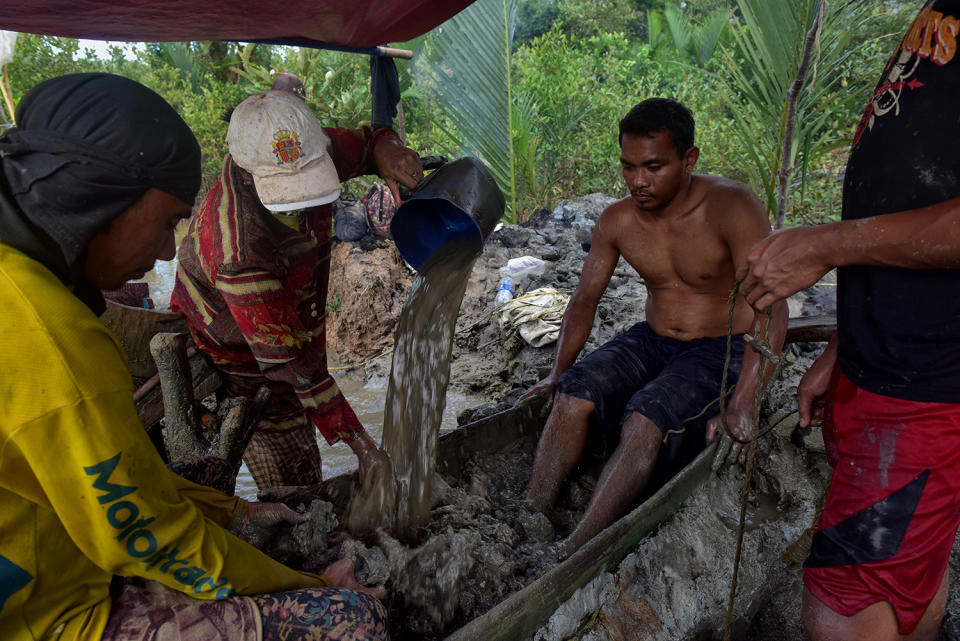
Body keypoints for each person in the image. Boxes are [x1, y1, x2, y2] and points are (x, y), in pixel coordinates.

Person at [0, 73, 386, 641]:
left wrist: (230, 512)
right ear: (93, 198)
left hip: (51, 554)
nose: (166, 251)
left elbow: (102, 479)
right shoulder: (55, 345)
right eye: (163, 224)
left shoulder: (24, 283)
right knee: (352, 619)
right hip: (44, 614)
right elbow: (143, 533)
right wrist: (301, 583)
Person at [737, 3, 960, 639]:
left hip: (929, 384)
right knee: (906, 567)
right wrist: (844, 345)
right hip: (882, 360)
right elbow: (916, 188)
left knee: (845, 600)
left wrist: (826, 244)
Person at [522, 97, 787, 556]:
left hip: (720, 347)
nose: (637, 181)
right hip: (653, 338)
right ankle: (530, 515)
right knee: (573, 392)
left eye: (653, 167)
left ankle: (577, 549)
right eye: (628, 167)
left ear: (689, 159)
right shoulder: (618, 220)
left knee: (647, 415)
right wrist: (555, 373)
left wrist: (745, 400)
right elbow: (584, 300)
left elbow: (773, 307)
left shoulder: (732, 206)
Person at [172, 84, 423, 490]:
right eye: (290, 196)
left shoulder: (305, 146)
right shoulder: (237, 250)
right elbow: (291, 362)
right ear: (247, 171)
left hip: (296, 312)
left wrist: (388, 150)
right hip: (239, 349)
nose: (305, 204)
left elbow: (368, 142)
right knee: (292, 472)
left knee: (309, 433)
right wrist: (361, 444)